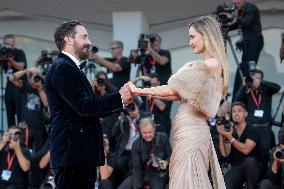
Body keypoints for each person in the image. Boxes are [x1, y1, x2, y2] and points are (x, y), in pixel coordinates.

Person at [126, 15, 228, 188]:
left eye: (192, 36)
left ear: (206, 35)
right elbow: (176, 94)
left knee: (187, 182)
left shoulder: (208, 65)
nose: (190, 42)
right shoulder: (211, 65)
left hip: (192, 134)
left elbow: (172, 90)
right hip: (189, 132)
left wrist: (138, 90)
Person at [44, 20, 132, 189]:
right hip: (73, 154)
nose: (89, 42)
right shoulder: (63, 68)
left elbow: (87, 108)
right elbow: (85, 107)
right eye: (84, 36)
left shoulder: (69, 68)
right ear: (69, 39)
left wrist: (120, 100)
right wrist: (119, 98)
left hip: (79, 155)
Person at [234, 68, 281, 177]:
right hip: (251, 129)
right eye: (253, 77)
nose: (255, 80)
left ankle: (263, 179)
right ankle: (250, 177)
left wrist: (261, 82)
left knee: (265, 156)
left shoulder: (266, 90)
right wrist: (244, 85)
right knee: (251, 155)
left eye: (258, 77)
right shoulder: (247, 92)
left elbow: (277, 87)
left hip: (265, 129)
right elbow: (236, 100)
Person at [117, 117, 171, 189]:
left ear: (154, 129)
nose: (148, 135)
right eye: (144, 133)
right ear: (140, 131)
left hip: (158, 173)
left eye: (150, 132)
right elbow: (136, 168)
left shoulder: (163, 138)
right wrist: (137, 186)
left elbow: (171, 155)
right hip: (142, 172)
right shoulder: (136, 144)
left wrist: (166, 162)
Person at [217, 102, 260, 189]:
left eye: (239, 111)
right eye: (233, 111)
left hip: (252, 167)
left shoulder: (253, 129)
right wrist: (222, 134)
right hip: (236, 166)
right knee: (225, 185)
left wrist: (230, 138)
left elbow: (246, 150)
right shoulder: (230, 130)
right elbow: (225, 153)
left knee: (249, 162)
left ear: (246, 114)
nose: (236, 113)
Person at [2, 34, 27, 128]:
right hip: (9, 86)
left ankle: (22, 138)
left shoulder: (19, 52)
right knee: (10, 114)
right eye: (8, 45)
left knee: (21, 114)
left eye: (12, 45)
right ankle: (11, 137)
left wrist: (11, 61)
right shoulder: (3, 53)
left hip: (19, 86)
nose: (10, 47)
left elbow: (21, 66)